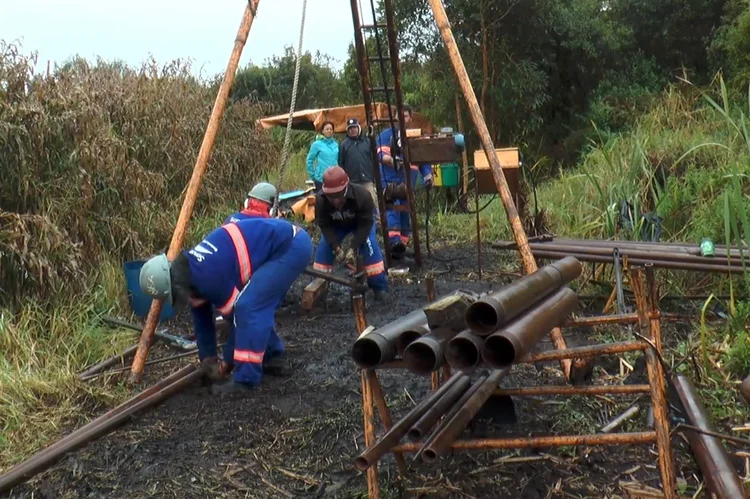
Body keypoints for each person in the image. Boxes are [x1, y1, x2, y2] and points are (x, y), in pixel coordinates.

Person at [138, 217, 313, 395]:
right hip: (281, 245)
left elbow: (237, 320)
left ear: (175, 283)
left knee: (249, 307)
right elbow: (202, 316)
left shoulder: (209, 276)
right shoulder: (190, 272)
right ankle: (272, 356)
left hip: (290, 247)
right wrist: (208, 358)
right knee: (253, 305)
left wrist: (226, 363)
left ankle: (246, 381)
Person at [312, 166, 388, 300]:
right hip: (337, 226)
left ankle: (379, 287)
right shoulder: (320, 200)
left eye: (338, 196)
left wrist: (353, 247)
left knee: (370, 246)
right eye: (331, 197)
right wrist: (336, 246)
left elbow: (366, 224)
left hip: (360, 224)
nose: (335, 201)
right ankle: (319, 288)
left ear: (346, 188)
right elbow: (324, 225)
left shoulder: (363, 195)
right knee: (324, 249)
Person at [376, 104, 433, 257]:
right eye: (399, 116)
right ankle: (394, 241)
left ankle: (401, 247)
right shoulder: (386, 135)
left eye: (405, 116)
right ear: (394, 118)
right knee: (393, 208)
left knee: (406, 215)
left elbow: (422, 160)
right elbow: (381, 155)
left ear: (410, 118)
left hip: (408, 183)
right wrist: (394, 161)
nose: (402, 119)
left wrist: (427, 175)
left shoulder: (415, 137)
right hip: (390, 182)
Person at [338, 118, 378, 213]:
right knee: (355, 204)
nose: (353, 130)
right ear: (348, 130)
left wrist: (374, 175)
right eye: (350, 128)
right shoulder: (344, 145)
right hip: (352, 181)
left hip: (367, 179)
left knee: (372, 201)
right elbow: (341, 164)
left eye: (354, 127)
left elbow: (374, 159)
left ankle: (377, 223)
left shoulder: (367, 142)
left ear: (359, 128)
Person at [306, 121, 339, 191]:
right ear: (323, 131)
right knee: (322, 200)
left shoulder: (336, 144)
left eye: (331, 129)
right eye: (327, 129)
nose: (329, 131)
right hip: (321, 179)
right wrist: (313, 175)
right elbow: (309, 160)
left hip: (334, 178)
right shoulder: (317, 144)